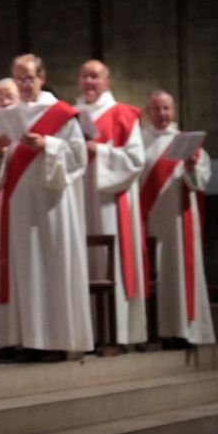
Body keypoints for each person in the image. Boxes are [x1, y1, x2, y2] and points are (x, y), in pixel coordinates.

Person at [0, 53, 93, 359]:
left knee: (50, 267)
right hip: (20, 204)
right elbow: (0, 165)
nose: (23, 84)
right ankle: (28, 341)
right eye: (18, 78)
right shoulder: (9, 115)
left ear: (42, 78)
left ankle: (54, 341)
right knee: (24, 269)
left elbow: (79, 158)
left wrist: (47, 145)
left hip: (53, 203)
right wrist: (0, 152)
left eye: (28, 77)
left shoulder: (61, 114)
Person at [75, 60, 147, 346]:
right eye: (84, 76)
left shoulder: (125, 115)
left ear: (107, 82)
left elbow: (135, 160)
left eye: (94, 76)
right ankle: (85, 331)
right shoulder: (71, 115)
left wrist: (100, 151)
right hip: (78, 198)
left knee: (111, 261)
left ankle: (118, 332)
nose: (89, 82)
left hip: (111, 201)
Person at [141, 90, 215, 346]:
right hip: (151, 219)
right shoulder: (139, 142)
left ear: (173, 111)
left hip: (179, 217)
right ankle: (159, 332)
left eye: (166, 108)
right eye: (156, 108)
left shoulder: (187, 142)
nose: (161, 114)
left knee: (181, 270)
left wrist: (191, 169)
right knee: (157, 273)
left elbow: (202, 180)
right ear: (148, 112)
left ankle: (186, 331)